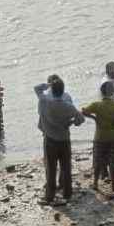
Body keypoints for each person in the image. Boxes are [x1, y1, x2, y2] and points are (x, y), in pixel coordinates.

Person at [35, 76, 85, 205]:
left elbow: (37, 88)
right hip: (64, 139)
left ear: (51, 88)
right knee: (66, 168)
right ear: (63, 90)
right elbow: (80, 120)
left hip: (50, 139)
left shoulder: (45, 101)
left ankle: (49, 196)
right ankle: (67, 193)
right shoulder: (68, 104)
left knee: (51, 169)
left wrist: (48, 85)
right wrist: (70, 122)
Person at [82, 81, 114, 194]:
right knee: (113, 162)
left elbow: (83, 111)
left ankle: (95, 183)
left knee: (97, 161)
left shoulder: (97, 105)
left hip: (99, 137)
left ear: (101, 92)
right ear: (113, 92)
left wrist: (93, 118)